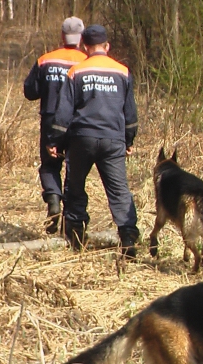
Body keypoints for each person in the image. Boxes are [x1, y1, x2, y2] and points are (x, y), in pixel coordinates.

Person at [52, 24, 140, 258]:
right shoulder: (122, 71)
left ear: (84, 47)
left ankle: (76, 235)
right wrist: (128, 139)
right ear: (107, 46)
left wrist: (56, 141)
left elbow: (63, 113)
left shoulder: (76, 72)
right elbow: (130, 113)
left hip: (81, 139)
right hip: (113, 139)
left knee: (75, 187)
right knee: (119, 191)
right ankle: (128, 236)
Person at [23, 16, 88, 234]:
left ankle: (53, 197)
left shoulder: (45, 60)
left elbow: (30, 92)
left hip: (50, 119)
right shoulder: (87, 61)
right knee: (74, 167)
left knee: (50, 165)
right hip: (77, 122)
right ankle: (71, 222)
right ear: (81, 38)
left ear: (62, 36)